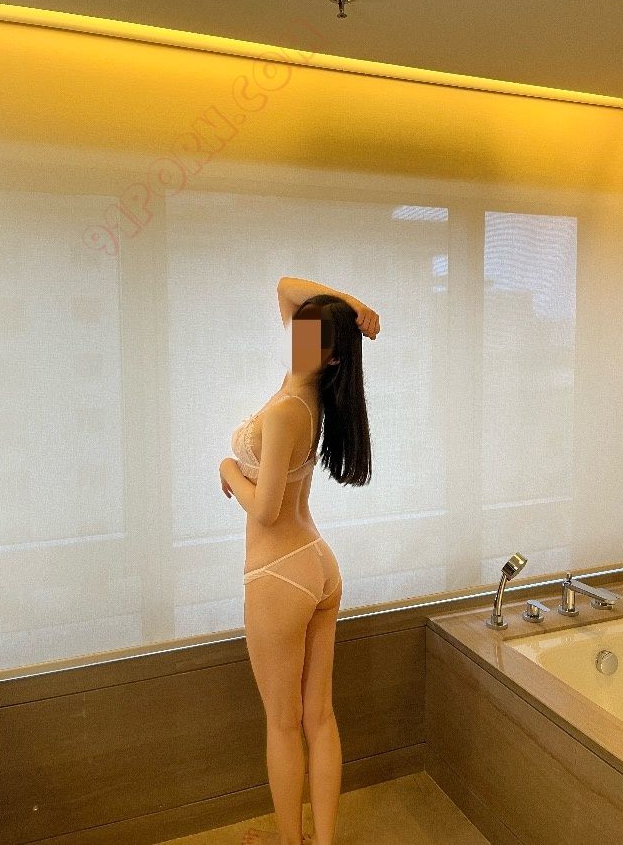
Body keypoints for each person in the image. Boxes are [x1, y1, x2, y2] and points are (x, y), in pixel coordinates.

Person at [219, 276, 380, 845]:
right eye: (298, 329)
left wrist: (227, 470)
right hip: (316, 564)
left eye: (311, 335)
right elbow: (287, 286)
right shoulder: (307, 391)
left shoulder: (289, 406)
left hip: (278, 572)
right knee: (320, 716)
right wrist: (354, 308)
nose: (296, 336)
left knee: (285, 724)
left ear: (331, 356)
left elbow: (265, 512)